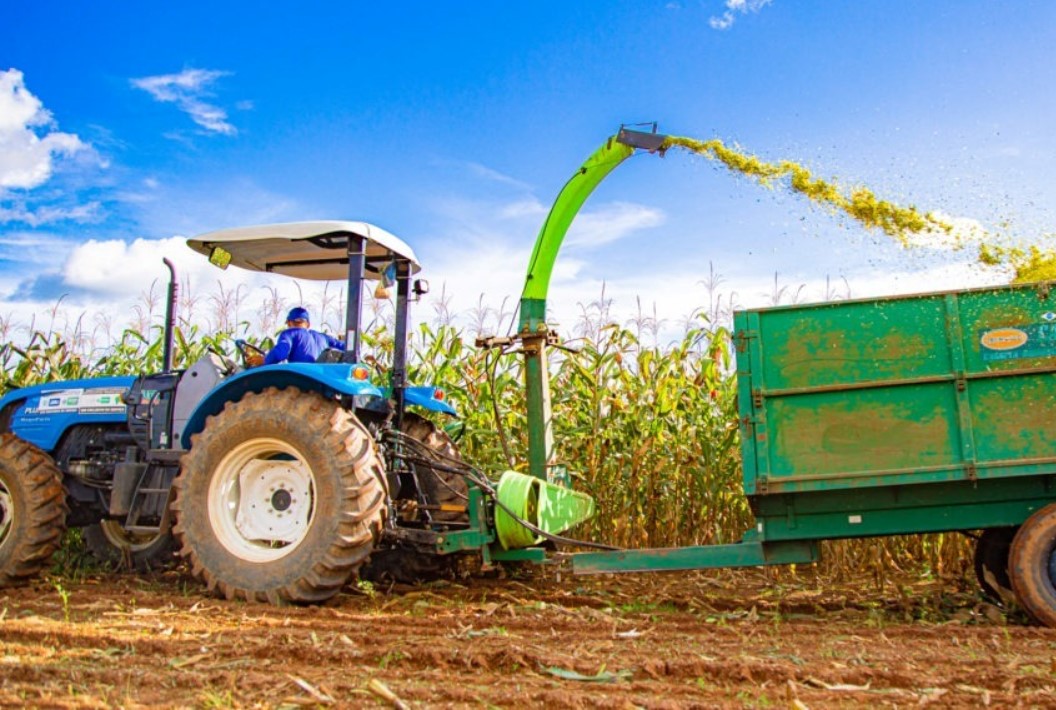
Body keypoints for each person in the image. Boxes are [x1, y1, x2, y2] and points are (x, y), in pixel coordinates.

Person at [247, 307, 345, 366]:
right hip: (321, 378)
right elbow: (346, 347)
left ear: (289, 323)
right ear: (308, 324)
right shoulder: (323, 337)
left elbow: (279, 354)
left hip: (301, 380)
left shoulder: (289, 334)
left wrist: (265, 359)